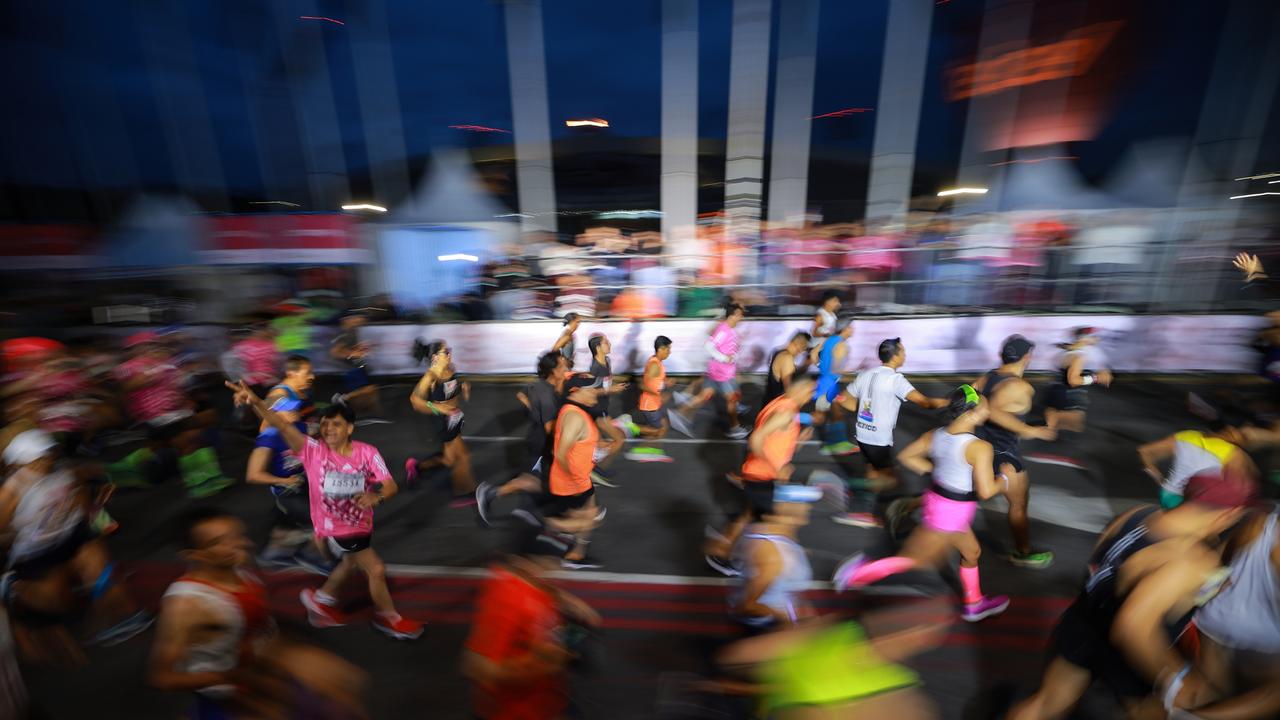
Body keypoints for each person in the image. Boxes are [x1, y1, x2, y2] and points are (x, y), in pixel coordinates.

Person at [1008, 472, 1258, 720]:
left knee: (1046, 703)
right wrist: (1176, 678)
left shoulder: (1138, 514)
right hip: (1129, 652)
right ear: (1229, 514)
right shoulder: (1191, 560)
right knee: (1147, 712)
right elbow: (1131, 627)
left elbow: (1095, 564)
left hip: (1084, 621)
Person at [226, 381, 423, 640]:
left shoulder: (367, 453)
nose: (328, 429)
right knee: (375, 569)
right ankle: (389, 618)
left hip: (359, 523)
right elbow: (281, 424)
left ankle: (321, 600)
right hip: (334, 527)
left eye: (336, 424)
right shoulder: (311, 451)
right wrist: (257, 402)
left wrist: (377, 496)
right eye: (325, 424)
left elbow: (390, 485)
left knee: (350, 563)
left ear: (350, 428)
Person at [148, 507, 369, 720]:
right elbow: (163, 678)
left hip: (264, 668)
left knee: (345, 691)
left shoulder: (238, 573)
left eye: (237, 535)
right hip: (234, 690)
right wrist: (232, 678)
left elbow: (255, 627)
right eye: (218, 542)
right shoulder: (186, 605)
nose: (240, 545)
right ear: (194, 555)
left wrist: (292, 656)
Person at [832, 385, 1011, 623]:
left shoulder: (937, 434)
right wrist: (1005, 479)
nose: (989, 412)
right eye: (985, 408)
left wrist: (937, 469)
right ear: (971, 413)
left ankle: (973, 604)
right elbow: (987, 491)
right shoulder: (979, 447)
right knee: (914, 561)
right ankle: (857, 573)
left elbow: (907, 457)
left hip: (940, 502)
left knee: (971, 552)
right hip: (951, 511)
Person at [0, 430, 153, 648]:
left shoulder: (63, 471)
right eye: (38, 459)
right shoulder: (11, 492)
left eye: (47, 455)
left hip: (71, 534)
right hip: (36, 551)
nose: (46, 461)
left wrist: (90, 519)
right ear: (21, 464)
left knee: (99, 570)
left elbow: (80, 490)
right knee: (58, 604)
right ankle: (12, 587)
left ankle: (118, 618)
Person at [462, 524, 602, 720]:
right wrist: (540, 664)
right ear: (522, 563)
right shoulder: (505, 600)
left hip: (547, 697)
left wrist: (566, 600)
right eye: (550, 562)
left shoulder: (532, 579)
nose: (558, 569)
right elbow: (477, 666)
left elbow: (540, 584)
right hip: (517, 710)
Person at [705, 376, 817, 577]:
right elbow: (756, 438)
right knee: (767, 520)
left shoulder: (780, 403)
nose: (811, 397)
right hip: (762, 475)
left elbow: (774, 440)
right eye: (810, 391)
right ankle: (729, 555)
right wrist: (776, 467)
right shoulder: (786, 412)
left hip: (756, 472)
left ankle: (725, 549)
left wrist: (797, 440)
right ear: (800, 390)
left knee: (749, 515)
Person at [832, 338, 947, 529]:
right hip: (878, 439)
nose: (905, 355)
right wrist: (951, 403)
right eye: (902, 351)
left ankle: (862, 506)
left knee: (874, 472)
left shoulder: (866, 374)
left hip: (862, 434)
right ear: (895, 355)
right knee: (890, 479)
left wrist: (863, 411)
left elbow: (843, 400)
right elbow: (925, 403)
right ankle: (853, 493)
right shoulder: (895, 380)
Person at [107, 332, 232, 498]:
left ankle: (127, 470)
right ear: (134, 349)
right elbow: (125, 387)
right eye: (146, 345)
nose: (151, 348)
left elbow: (178, 385)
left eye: (153, 345)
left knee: (174, 441)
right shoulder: (129, 367)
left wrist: (184, 397)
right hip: (154, 416)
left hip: (175, 413)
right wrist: (147, 377)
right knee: (189, 439)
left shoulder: (166, 363)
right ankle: (202, 482)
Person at [1188, 508, 1280, 719]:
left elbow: (1223, 563)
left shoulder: (1261, 522)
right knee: (1270, 696)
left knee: (1211, 692)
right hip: (1261, 646)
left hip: (1213, 624)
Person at [974, 335, 1057, 568]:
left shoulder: (987, 377)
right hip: (1002, 453)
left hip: (974, 447)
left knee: (961, 495)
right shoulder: (1019, 386)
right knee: (1019, 504)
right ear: (1027, 357)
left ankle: (910, 506)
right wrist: (1029, 430)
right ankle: (1022, 552)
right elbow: (993, 411)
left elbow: (964, 397)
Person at [476, 352, 569, 527]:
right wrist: (572, 425)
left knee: (538, 480)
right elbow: (550, 427)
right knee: (534, 481)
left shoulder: (540, 385)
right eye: (563, 366)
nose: (567, 368)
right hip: (542, 445)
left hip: (538, 441)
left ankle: (525, 510)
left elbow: (522, 394)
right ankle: (490, 493)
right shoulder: (547, 395)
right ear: (553, 371)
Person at [245, 396, 328, 573]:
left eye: (295, 409)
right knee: (320, 521)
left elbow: (319, 433)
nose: (295, 412)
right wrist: (284, 481)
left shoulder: (299, 427)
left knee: (290, 525)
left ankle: (274, 553)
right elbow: (253, 475)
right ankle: (313, 555)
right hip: (287, 491)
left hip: (304, 483)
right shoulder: (267, 439)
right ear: (274, 414)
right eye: (289, 410)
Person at [728, 484, 822, 631]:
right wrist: (788, 622)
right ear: (782, 508)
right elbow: (748, 605)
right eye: (802, 502)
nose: (808, 507)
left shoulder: (784, 538)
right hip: (765, 631)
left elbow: (788, 590)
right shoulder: (771, 553)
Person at [546, 377, 608, 569]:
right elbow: (560, 452)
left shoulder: (577, 412)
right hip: (572, 482)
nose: (596, 391)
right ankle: (540, 525)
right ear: (575, 391)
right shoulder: (574, 416)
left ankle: (576, 555)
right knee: (592, 518)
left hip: (580, 478)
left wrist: (596, 448)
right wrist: (575, 481)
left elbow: (575, 444)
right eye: (592, 389)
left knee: (590, 515)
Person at [1138, 410, 1255, 510]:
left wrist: (1159, 480)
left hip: (1169, 495)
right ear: (1230, 431)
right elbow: (1239, 487)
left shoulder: (1187, 435)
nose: (1247, 438)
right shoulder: (1233, 452)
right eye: (1243, 434)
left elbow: (1144, 451)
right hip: (1194, 504)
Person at [408, 340, 477, 506]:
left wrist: (463, 388)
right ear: (435, 357)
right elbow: (415, 400)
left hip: (455, 418)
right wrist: (437, 407)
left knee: (448, 460)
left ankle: (417, 466)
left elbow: (452, 388)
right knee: (463, 457)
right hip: (443, 421)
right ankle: (463, 494)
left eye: (449, 350)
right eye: (445, 352)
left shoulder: (450, 369)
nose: (449, 354)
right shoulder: (431, 377)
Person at [676, 303, 750, 439]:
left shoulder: (729, 329)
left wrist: (733, 356)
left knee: (704, 395)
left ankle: (679, 414)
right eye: (740, 315)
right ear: (733, 315)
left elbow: (728, 349)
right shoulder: (724, 330)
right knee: (732, 400)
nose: (742, 317)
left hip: (717, 371)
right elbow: (709, 346)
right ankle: (734, 428)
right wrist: (724, 358)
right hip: (723, 374)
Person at [625, 336, 690, 463]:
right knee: (658, 429)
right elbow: (643, 385)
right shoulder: (654, 364)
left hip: (654, 404)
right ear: (660, 349)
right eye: (668, 349)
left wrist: (666, 382)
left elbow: (656, 380)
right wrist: (659, 395)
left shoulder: (657, 362)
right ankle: (632, 430)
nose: (669, 352)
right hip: (650, 405)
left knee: (662, 426)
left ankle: (654, 451)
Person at [1044, 327, 1113, 434]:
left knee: (1052, 431)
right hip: (1070, 397)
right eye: (1093, 337)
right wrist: (1096, 378)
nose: (1096, 339)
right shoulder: (1078, 356)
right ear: (1085, 339)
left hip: (1055, 394)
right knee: (1069, 434)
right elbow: (1073, 380)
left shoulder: (1065, 352)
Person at [811, 317, 858, 457]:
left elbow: (814, 354)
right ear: (844, 329)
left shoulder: (829, 340)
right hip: (831, 384)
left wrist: (821, 367)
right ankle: (837, 444)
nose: (852, 330)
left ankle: (830, 445)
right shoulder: (842, 345)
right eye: (850, 327)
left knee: (828, 415)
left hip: (823, 382)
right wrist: (855, 373)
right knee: (836, 414)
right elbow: (836, 369)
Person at [330, 312, 388, 424]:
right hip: (351, 369)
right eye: (356, 318)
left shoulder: (355, 332)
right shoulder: (345, 335)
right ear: (348, 320)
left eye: (360, 318)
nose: (360, 320)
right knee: (369, 389)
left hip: (359, 366)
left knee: (371, 391)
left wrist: (362, 352)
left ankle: (374, 415)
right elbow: (335, 353)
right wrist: (353, 354)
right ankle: (343, 398)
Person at [762, 332, 811, 407]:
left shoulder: (778, 351)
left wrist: (807, 364)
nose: (802, 352)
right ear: (800, 344)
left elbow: (793, 371)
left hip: (769, 402)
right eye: (804, 348)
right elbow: (788, 389)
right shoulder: (787, 358)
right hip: (776, 406)